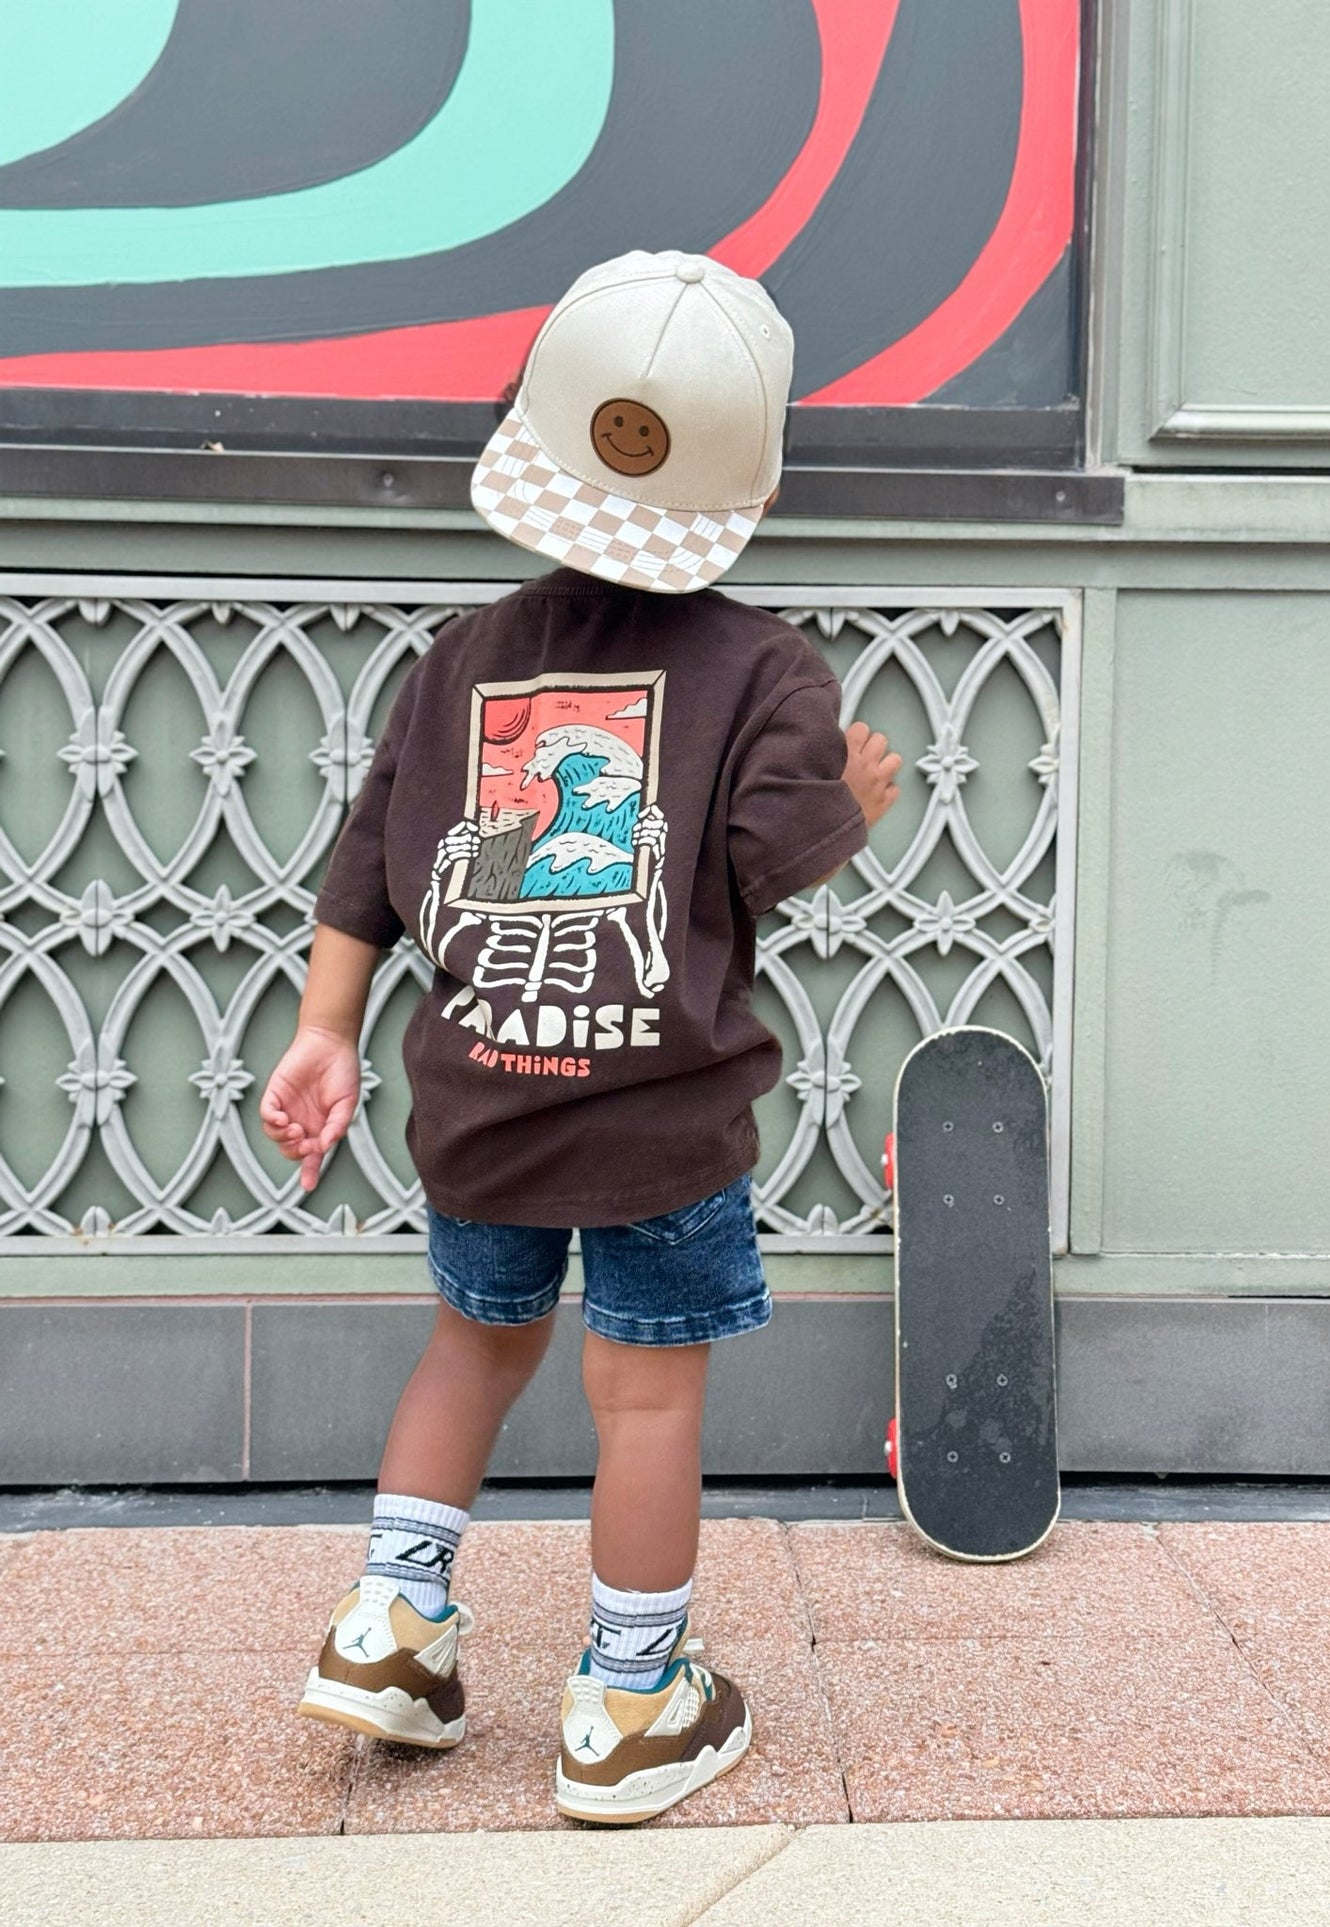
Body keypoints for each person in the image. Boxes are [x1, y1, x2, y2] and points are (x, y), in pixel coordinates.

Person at [261, 249, 901, 1825]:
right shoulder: (767, 671)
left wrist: (324, 1032)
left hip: (482, 1102)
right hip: (656, 1122)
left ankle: (391, 1628)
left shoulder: (461, 660)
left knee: (469, 1353)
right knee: (647, 1399)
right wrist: (853, 803)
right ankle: (627, 1706)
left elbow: (370, 863)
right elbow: (760, 861)